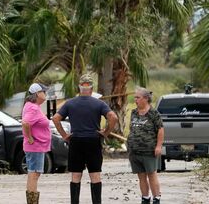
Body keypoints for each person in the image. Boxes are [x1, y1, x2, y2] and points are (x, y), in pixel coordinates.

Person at [52, 74, 118, 204]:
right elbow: (113, 117)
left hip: (76, 141)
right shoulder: (99, 103)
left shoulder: (70, 103)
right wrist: (105, 132)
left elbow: (55, 118)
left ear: (79, 87)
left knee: (76, 175)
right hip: (93, 140)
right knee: (95, 175)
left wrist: (65, 135)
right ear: (92, 88)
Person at [128, 87, 164, 204]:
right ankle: (145, 198)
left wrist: (158, 146)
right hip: (135, 151)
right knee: (141, 176)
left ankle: (156, 198)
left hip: (149, 150)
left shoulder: (154, 113)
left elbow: (160, 130)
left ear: (145, 99)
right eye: (135, 97)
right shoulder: (133, 112)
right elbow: (132, 128)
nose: (135, 99)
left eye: (137, 97)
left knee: (151, 174)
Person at [22, 83, 51, 204]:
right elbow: (25, 122)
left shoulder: (33, 106)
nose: (45, 94)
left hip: (37, 147)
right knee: (34, 174)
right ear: (37, 93)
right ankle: (33, 202)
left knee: (34, 173)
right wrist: (29, 137)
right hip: (35, 146)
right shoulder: (33, 108)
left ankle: (32, 201)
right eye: (44, 91)